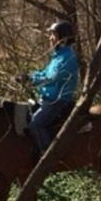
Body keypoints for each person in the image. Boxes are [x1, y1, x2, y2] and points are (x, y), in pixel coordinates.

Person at [16, 20, 80, 160]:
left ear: (62, 38)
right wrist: (29, 77)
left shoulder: (67, 58)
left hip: (57, 100)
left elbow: (52, 78)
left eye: (53, 35)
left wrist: (32, 81)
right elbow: (45, 73)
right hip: (48, 98)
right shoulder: (58, 56)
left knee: (35, 125)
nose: (50, 38)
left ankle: (48, 157)